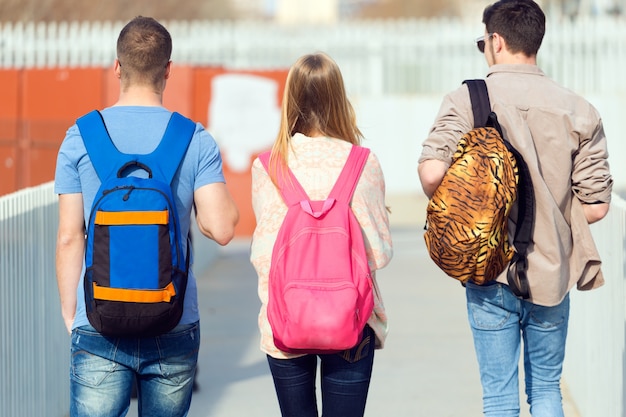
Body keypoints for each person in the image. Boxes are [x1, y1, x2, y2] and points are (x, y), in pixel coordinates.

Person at [418, 1, 612, 416]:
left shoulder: (467, 100)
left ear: (496, 41)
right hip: (551, 273)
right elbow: (596, 206)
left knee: (499, 398)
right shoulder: (580, 110)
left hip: (490, 271)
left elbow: (433, 173)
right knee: (545, 391)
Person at [54, 16, 239, 417]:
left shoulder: (80, 137)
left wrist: (74, 318)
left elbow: (70, 236)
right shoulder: (195, 139)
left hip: (98, 320)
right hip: (172, 322)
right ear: (168, 70)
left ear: (117, 66)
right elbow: (223, 229)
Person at [249, 52, 393, 417]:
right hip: (350, 320)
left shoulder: (268, 166)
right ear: (338, 99)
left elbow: (265, 254)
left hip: (286, 321)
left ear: (290, 99)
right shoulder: (363, 162)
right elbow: (378, 253)